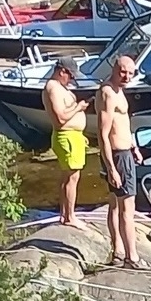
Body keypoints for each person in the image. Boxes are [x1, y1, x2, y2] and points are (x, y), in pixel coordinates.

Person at [94, 54, 144, 268]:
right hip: (117, 156)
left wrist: (134, 146)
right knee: (127, 208)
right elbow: (103, 134)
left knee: (114, 205)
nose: (127, 76)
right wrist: (112, 168)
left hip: (124, 152)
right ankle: (132, 257)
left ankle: (118, 252)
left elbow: (122, 123)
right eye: (123, 71)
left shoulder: (118, 91)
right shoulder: (107, 93)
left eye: (131, 73)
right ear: (115, 69)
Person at [44, 58, 88, 227]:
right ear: (62, 71)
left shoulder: (60, 88)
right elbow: (60, 118)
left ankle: (65, 215)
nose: (71, 79)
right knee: (72, 177)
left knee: (69, 176)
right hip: (66, 136)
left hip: (73, 136)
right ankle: (70, 217)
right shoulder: (53, 88)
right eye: (70, 76)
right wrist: (79, 107)